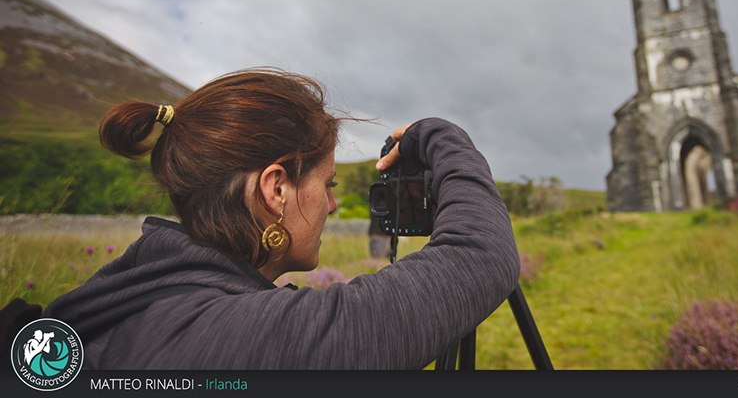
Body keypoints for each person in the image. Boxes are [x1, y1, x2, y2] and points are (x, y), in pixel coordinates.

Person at [43, 68, 519, 369]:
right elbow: (481, 257)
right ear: (276, 189)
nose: (332, 206)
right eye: (327, 185)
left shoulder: (122, 295)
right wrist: (443, 138)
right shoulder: (231, 338)